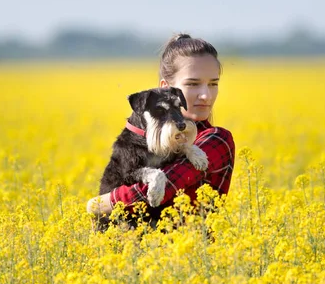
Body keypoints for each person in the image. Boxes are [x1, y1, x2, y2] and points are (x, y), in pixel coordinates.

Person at [88, 33, 235, 227]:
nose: (206, 95)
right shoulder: (145, 140)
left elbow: (161, 187)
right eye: (193, 84)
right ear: (166, 88)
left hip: (189, 250)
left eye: (213, 84)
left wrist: (96, 204)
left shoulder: (216, 140)